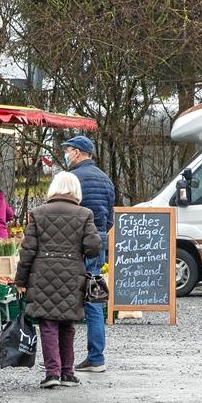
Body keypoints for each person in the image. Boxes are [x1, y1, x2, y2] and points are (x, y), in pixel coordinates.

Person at [14, 171, 101, 389]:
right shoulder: (85, 214)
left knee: (48, 324)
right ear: (76, 190)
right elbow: (93, 249)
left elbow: (28, 251)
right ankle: (67, 373)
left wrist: (20, 280)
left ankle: (52, 373)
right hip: (72, 275)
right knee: (67, 324)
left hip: (42, 274)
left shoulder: (38, 213)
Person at [65, 135, 115, 373]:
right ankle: (96, 356)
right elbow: (110, 219)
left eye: (69, 150)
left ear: (78, 153)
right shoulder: (106, 179)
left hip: (76, 244)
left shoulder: (73, 178)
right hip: (99, 244)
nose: (67, 154)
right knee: (93, 299)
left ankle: (62, 359)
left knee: (64, 297)